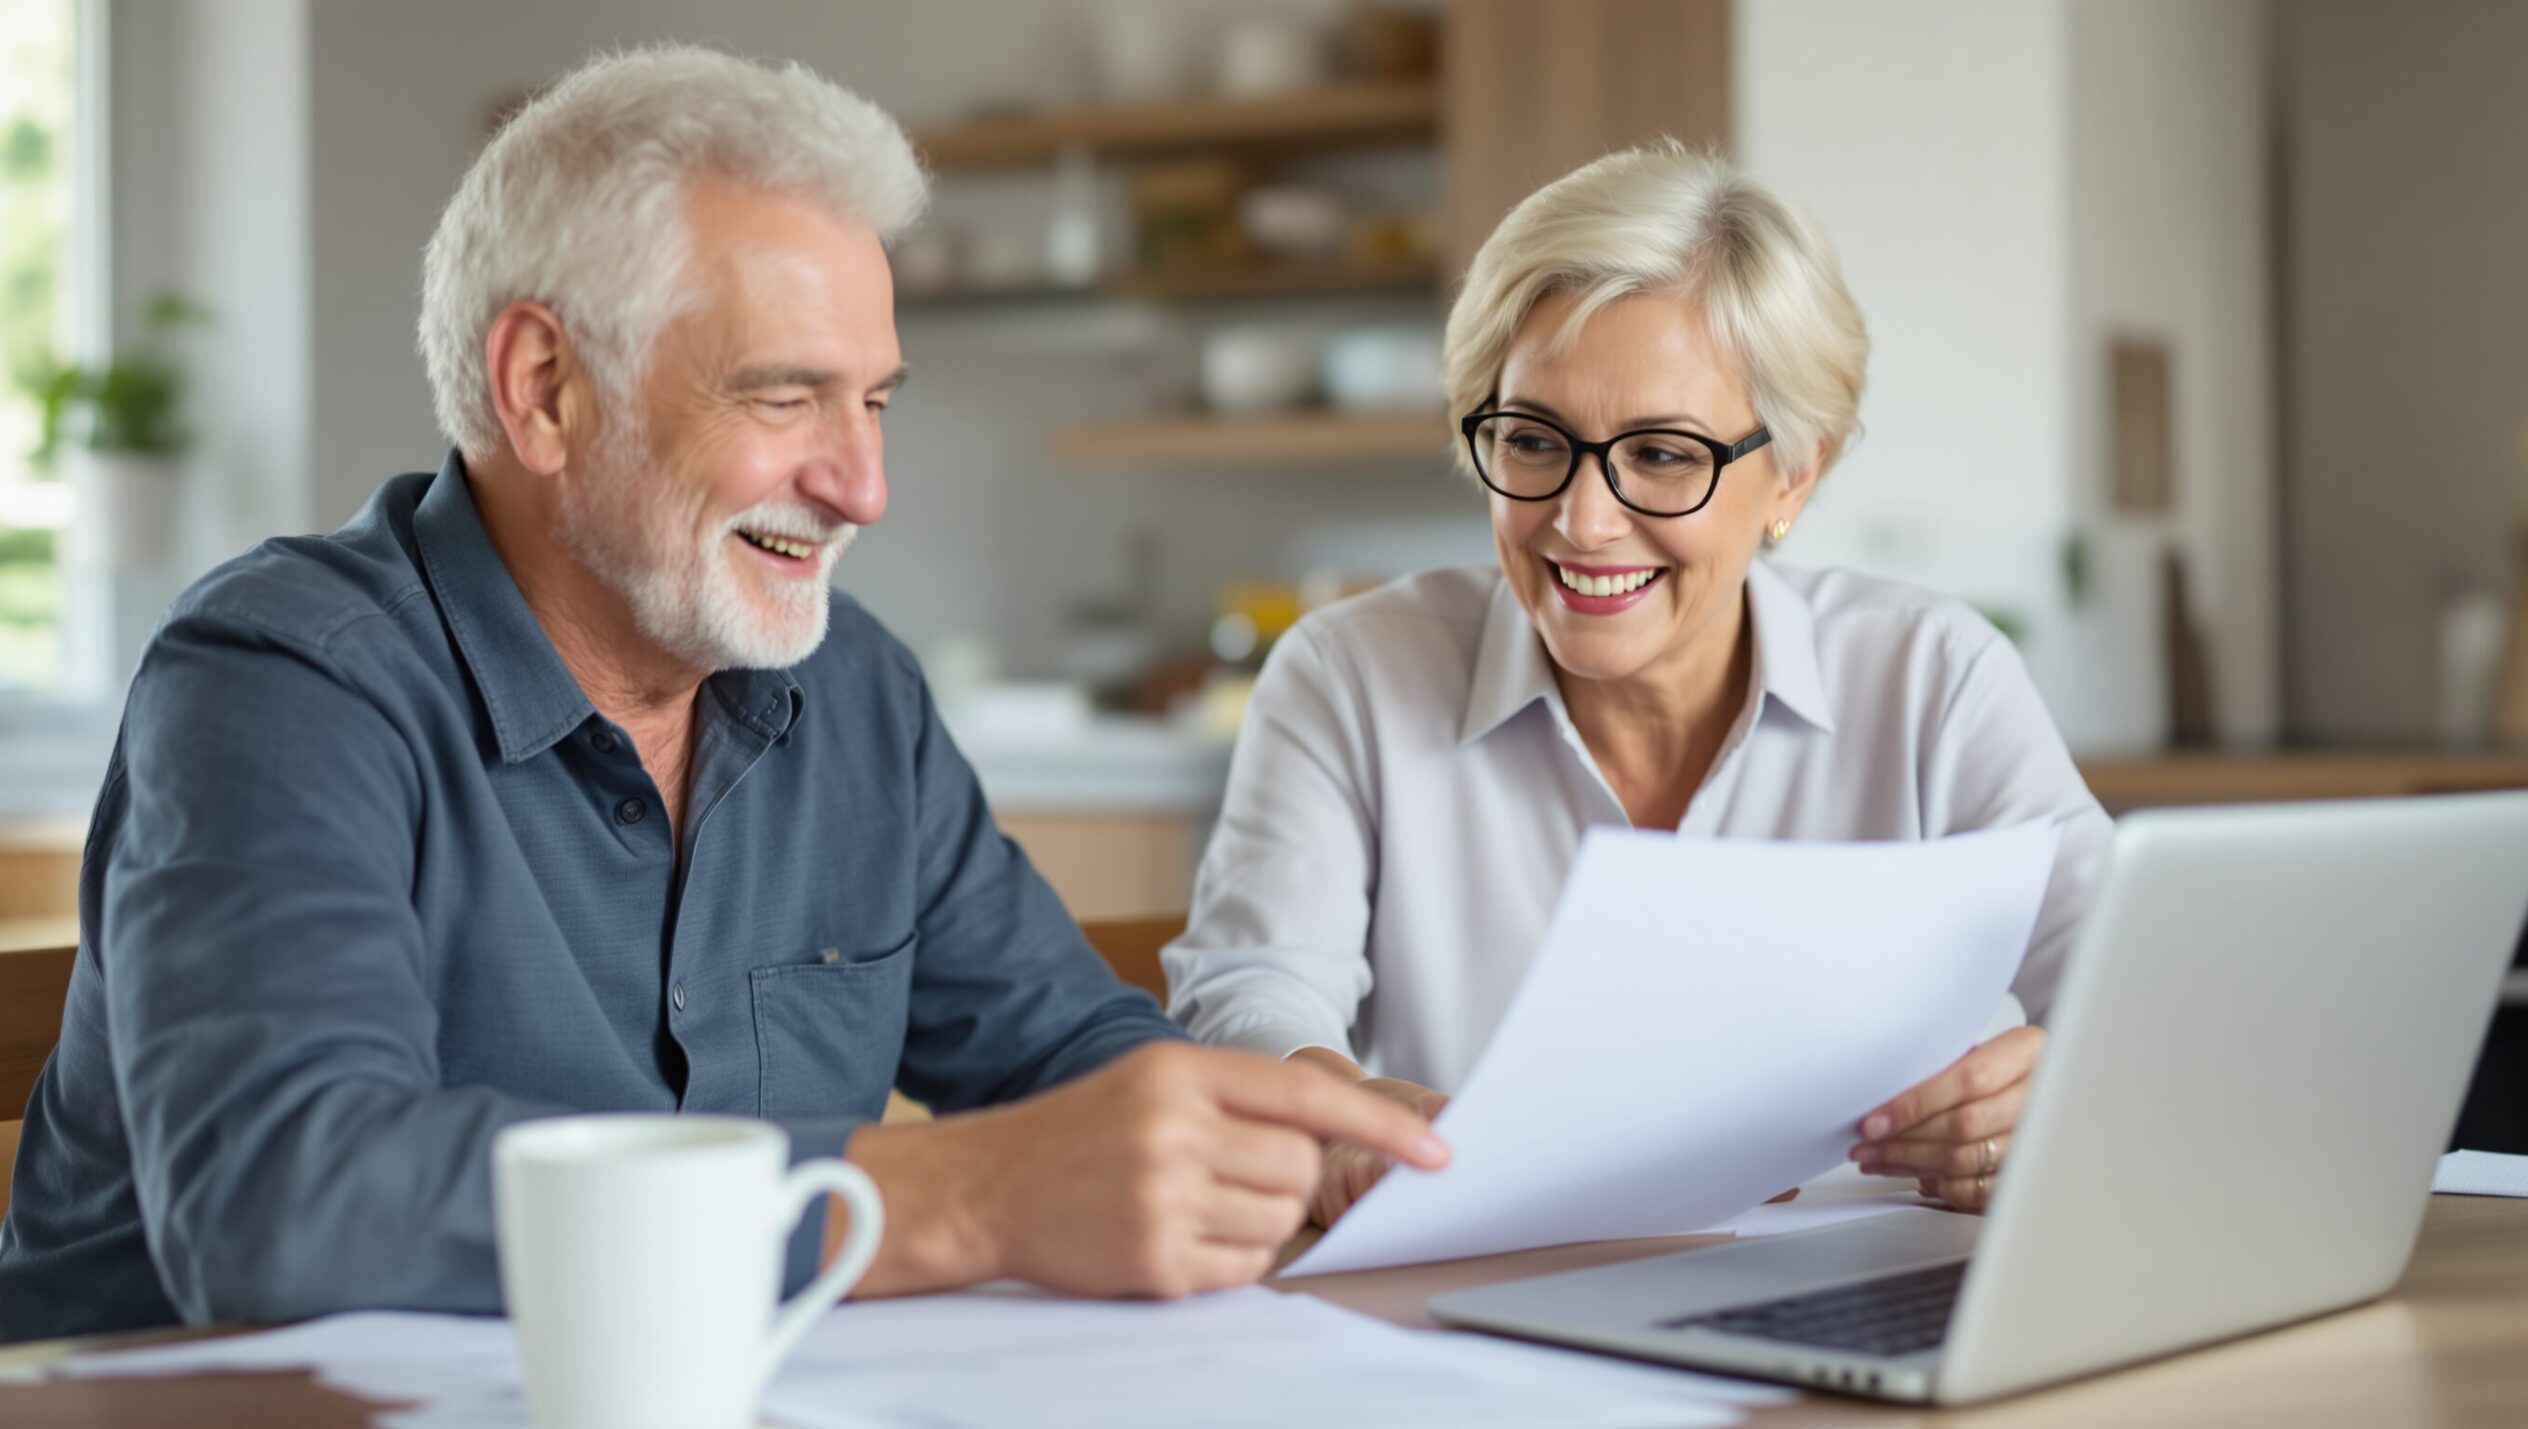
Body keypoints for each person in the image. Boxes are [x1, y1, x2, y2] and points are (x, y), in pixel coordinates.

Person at [0, 46, 1443, 1345]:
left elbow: (1068, 1055)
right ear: (545, 388)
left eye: (875, 400)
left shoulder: (854, 690)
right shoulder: (284, 679)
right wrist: (957, 1197)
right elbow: (284, 1201)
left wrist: (1296, 1138)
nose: (863, 485)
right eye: (784, 396)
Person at [1163, 144, 2111, 1228]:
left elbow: (2137, 984)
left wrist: (2061, 1092)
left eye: (1662, 454)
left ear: (1793, 474)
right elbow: (1251, 991)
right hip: (1483, 1276)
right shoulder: (1350, 677)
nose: (1583, 520)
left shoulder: (1933, 679)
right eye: (1533, 440)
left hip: (1853, 1289)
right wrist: (1339, 1112)